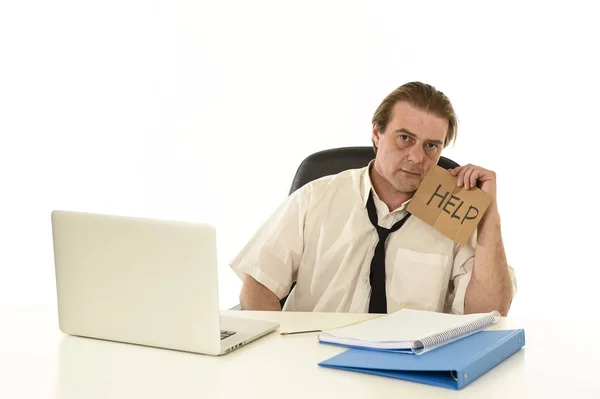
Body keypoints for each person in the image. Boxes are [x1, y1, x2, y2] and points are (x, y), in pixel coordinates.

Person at [230, 81, 516, 316]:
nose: (417, 157)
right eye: (404, 138)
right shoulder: (316, 198)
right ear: (377, 133)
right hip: (313, 362)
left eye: (431, 146)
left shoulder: (454, 214)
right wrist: (279, 352)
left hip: (409, 371)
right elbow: (259, 284)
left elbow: (490, 313)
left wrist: (489, 216)